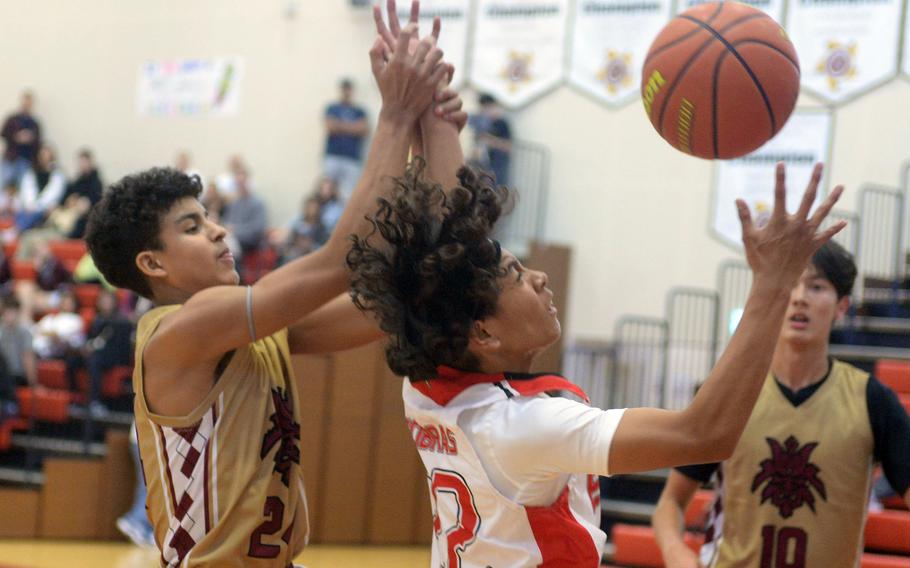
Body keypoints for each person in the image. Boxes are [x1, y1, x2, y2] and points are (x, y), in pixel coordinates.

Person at [344, 4, 846, 565]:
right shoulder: (525, 426)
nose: (536, 276)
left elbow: (449, 233)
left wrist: (430, 114)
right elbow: (703, 433)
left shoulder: (429, 388)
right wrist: (773, 284)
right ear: (482, 332)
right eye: (515, 275)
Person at [84, 23, 455, 566]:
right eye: (191, 226)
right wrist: (396, 114)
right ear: (152, 264)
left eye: (209, 217)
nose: (216, 230)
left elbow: (412, 296)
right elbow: (342, 260)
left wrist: (431, 133)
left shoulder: (253, 331)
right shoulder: (177, 330)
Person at [651, 241, 910, 568]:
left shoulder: (872, 400)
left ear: (842, 306)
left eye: (816, 287)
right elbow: (670, 503)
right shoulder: (731, 393)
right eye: (791, 285)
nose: (800, 297)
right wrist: (679, 557)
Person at [323, 78, 369, 200]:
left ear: (351, 91)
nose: (346, 92)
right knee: (327, 191)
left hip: (352, 158)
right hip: (333, 155)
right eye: (344, 89)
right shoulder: (332, 108)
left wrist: (340, 125)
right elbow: (330, 127)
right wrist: (352, 127)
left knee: (349, 194)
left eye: (348, 89)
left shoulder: (360, 111)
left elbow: (363, 130)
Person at [17, 143, 65, 231]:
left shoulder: (57, 174)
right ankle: (18, 230)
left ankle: (16, 231)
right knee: (21, 213)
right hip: (30, 207)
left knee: (34, 215)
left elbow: (55, 194)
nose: (44, 158)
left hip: (45, 209)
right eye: (42, 155)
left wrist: (38, 206)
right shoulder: (32, 172)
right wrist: (30, 205)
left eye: (47, 156)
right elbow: (27, 190)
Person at [468, 93, 512, 186]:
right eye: (483, 107)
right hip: (482, 167)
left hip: (497, 166)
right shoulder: (480, 123)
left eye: (487, 107)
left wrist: (490, 140)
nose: (485, 110)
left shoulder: (501, 123)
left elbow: (508, 147)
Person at [1, 91, 41, 187]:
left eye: (29, 103)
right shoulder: (12, 119)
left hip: (26, 159)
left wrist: (30, 138)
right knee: (5, 185)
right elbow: (3, 133)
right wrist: (16, 137)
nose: (26, 105)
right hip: (11, 158)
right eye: (25, 102)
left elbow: (38, 141)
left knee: (23, 187)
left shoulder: (34, 123)